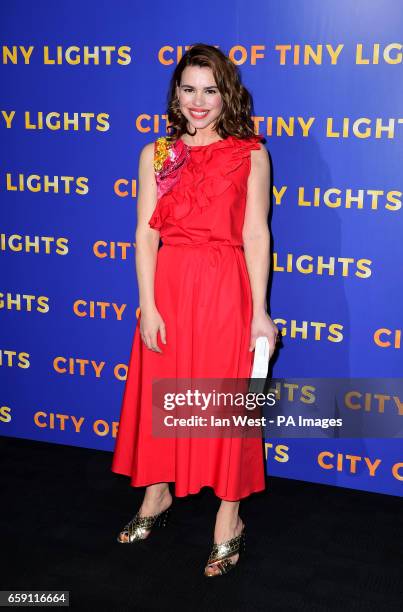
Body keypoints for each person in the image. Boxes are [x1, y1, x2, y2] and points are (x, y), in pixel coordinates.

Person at [111, 42, 279, 577]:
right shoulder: (157, 154)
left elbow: (256, 232)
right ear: (176, 93)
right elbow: (144, 233)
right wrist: (148, 305)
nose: (198, 101)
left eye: (210, 89)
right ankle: (156, 493)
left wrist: (260, 312)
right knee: (164, 393)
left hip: (227, 288)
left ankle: (229, 517)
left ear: (227, 94)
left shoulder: (250, 152)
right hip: (171, 287)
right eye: (188, 89)